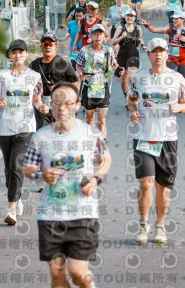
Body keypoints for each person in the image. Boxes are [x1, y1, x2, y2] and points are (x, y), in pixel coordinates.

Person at [23, 82, 112, 288]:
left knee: (78, 273)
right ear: (51, 105)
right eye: (57, 103)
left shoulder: (91, 134)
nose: (62, 108)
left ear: (78, 105)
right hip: (50, 214)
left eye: (68, 104)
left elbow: (106, 159)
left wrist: (96, 180)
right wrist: (42, 174)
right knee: (57, 274)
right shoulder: (40, 136)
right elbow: (28, 168)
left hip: (82, 214)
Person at [127, 38, 185, 244]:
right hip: (144, 137)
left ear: (166, 54)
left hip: (167, 139)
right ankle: (143, 224)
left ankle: (160, 226)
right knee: (145, 183)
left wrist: (179, 107)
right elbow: (132, 100)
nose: (158, 55)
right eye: (154, 51)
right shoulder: (139, 78)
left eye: (161, 51)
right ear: (148, 55)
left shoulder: (176, 78)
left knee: (163, 187)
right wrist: (133, 112)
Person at [0, 39, 47, 225]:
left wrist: (42, 107)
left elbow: (37, 100)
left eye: (21, 52)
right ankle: (17, 196)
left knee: (16, 165)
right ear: (9, 55)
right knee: (9, 170)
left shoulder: (34, 77)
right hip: (5, 126)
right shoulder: (1, 76)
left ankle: (11, 210)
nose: (17, 56)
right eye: (14, 52)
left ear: (26, 54)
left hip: (25, 128)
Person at [76, 24, 118, 140]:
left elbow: (114, 64)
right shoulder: (85, 50)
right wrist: (80, 72)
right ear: (91, 36)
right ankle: (91, 142)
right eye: (96, 34)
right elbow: (78, 65)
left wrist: (118, 68)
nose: (98, 37)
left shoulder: (108, 50)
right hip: (89, 86)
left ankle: (102, 143)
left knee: (102, 120)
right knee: (89, 119)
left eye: (100, 34)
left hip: (103, 87)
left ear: (104, 36)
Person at [29, 33, 80, 130]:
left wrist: (62, 88)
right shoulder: (34, 65)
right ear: (41, 47)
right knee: (43, 133)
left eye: (51, 44)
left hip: (61, 107)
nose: (48, 47)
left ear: (56, 46)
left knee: (63, 132)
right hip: (42, 106)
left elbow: (75, 83)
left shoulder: (63, 63)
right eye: (45, 44)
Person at [141, 11, 185, 78]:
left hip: (183, 60)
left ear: (183, 19)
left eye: (176, 18)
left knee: (181, 80)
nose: (174, 20)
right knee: (171, 77)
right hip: (171, 59)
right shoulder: (170, 29)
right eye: (173, 18)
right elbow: (154, 30)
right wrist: (147, 24)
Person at [112, 8, 146, 101]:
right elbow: (113, 42)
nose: (129, 18)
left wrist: (143, 45)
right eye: (128, 16)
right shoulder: (120, 28)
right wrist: (121, 37)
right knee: (123, 80)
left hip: (133, 55)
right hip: (122, 55)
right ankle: (126, 95)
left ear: (135, 18)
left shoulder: (138, 29)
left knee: (131, 78)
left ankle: (131, 98)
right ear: (125, 17)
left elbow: (140, 38)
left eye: (131, 16)